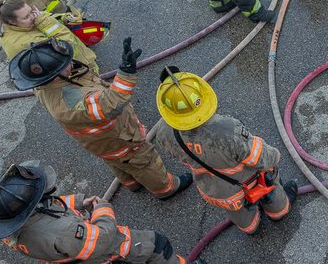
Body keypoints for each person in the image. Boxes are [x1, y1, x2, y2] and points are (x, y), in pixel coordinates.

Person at [0, 161, 206, 264]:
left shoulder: (13, 227)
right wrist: (102, 208)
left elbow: (52, 207)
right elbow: (102, 238)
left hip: (72, 263)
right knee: (154, 244)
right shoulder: (61, 232)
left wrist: (79, 202)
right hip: (93, 248)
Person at [11, 37, 192, 200]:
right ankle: (166, 189)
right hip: (120, 140)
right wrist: (126, 73)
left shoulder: (43, 87)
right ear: (53, 75)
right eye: (64, 64)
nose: (70, 64)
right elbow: (111, 104)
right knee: (144, 162)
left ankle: (132, 183)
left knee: (118, 162)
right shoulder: (71, 101)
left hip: (102, 144)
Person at [149, 67, 298, 236]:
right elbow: (258, 156)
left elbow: (177, 155)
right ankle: (278, 212)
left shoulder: (163, 132)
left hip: (218, 190)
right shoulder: (227, 130)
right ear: (203, 97)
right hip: (252, 180)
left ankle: (250, 227)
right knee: (270, 184)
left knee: (237, 211)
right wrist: (274, 156)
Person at [0, 0, 98, 75]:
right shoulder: (23, 42)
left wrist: (64, 18)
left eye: (31, 11)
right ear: (12, 22)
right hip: (71, 72)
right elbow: (66, 47)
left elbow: (41, 17)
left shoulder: (19, 25)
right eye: (26, 17)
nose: (33, 16)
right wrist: (45, 21)